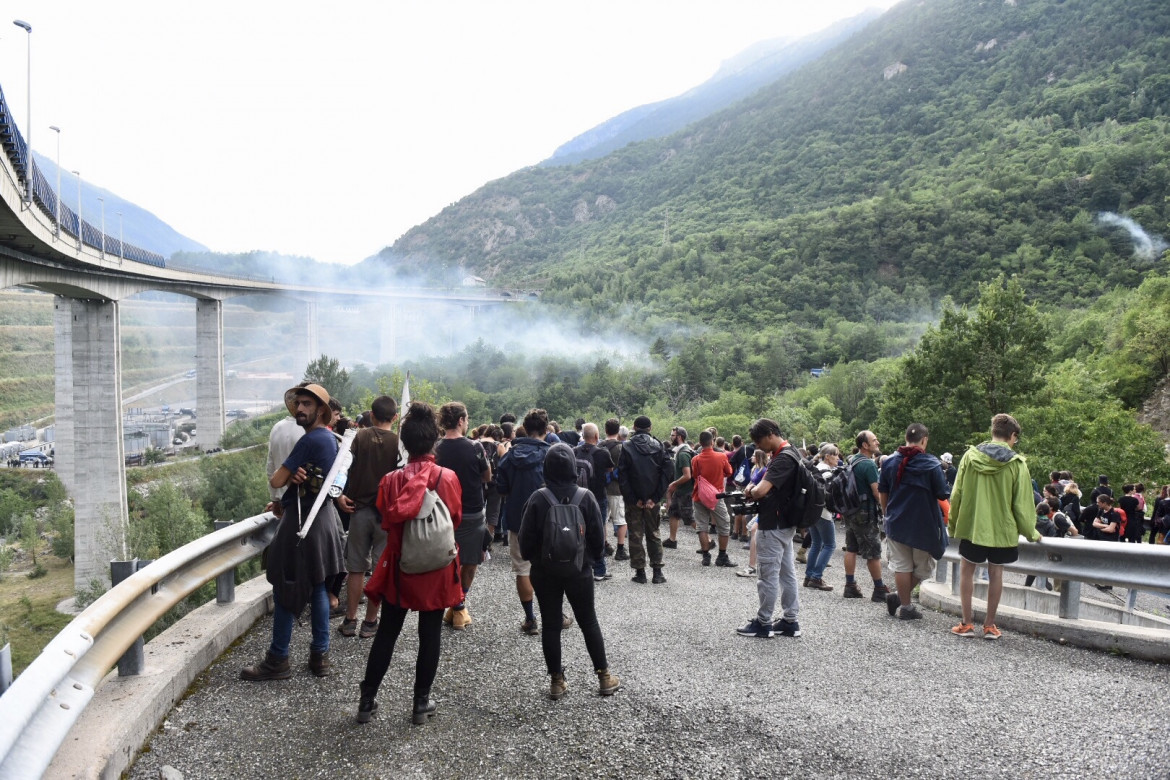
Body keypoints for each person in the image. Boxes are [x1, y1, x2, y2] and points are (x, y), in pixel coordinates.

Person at [356, 401, 463, 725]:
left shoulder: (390, 481)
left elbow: (387, 522)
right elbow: (454, 520)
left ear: (404, 443)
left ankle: (367, 700)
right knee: (430, 633)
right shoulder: (447, 477)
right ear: (434, 441)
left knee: (388, 631)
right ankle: (420, 702)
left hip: (401, 566)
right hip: (436, 566)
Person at [242, 383, 346, 681]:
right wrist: (294, 487)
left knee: (286, 587)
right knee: (317, 587)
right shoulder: (331, 439)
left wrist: (288, 484)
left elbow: (276, 479)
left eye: (307, 405)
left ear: (320, 411)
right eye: (298, 403)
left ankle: (278, 659)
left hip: (302, 525)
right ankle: (320, 656)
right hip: (323, 518)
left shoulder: (310, 440)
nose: (300, 409)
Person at [518, 443, 620, 700]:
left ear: (547, 468)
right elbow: (598, 539)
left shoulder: (537, 498)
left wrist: (537, 560)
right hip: (579, 571)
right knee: (588, 621)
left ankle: (556, 681)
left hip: (544, 571)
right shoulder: (585, 497)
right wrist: (589, 560)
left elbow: (525, 541)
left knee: (551, 625)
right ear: (573, 468)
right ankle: (604, 676)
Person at [947, 413, 1042, 641]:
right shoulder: (1017, 464)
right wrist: (1031, 532)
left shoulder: (970, 457)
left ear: (992, 432)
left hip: (972, 527)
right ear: (1013, 436)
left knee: (967, 571)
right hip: (1002, 530)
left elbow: (957, 493)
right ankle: (989, 626)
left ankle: (967, 624)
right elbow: (1022, 503)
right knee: (996, 572)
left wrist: (953, 525)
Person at [497, 408, 573, 634]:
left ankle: (530, 620)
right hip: (551, 521)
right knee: (551, 568)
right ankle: (555, 615)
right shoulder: (554, 454)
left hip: (518, 521)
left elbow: (501, 490)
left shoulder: (509, 456)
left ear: (526, 429)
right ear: (545, 429)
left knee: (523, 569)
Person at [336, 395, 401, 639]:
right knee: (380, 569)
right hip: (387, 515)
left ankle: (350, 619)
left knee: (356, 568)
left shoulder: (358, 437)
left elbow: (341, 467)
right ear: (394, 417)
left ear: (371, 415)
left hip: (358, 510)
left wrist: (339, 495)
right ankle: (371, 622)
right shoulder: (399, 443)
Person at [736, 418, 802, 639]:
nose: (758, 446)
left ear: (771, 434)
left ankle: (763, 623)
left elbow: (762, 490)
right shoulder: (794, 453)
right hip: (786, 522)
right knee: (786, 572)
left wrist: (751, 490)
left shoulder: (782, 458)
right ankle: (790, 621)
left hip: (772, 523)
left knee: (768, 575)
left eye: (759, 440)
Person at [878, 423, 950, 620]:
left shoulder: (890, 462)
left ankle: (904, 603)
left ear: (905, 438)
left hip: (896, 521)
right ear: (924, 440)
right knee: (923, 567)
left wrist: (887, 513)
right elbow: (942, 493)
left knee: (902, 566)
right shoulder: (932, 464)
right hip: (923, 524)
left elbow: (883, 492)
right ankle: (901, 602)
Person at [435, 402, 491, 630]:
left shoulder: (435, 447)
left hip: (441, 512)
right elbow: (487, 477)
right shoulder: (475, 447)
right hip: (471, 512)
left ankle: (453, 606)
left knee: (444, 562)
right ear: (460, 421)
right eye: (466, 419)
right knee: (469, 562)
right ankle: (459, 604)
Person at [618, 415, 670, 584]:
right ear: (650, 427)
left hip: (634, 500)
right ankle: (657, 572)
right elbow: (667, 473)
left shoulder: (626, 447)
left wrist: (633, 498)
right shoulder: (659, 446)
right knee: (654, 533)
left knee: (635, 534)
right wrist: (655, 498)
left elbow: (622, 476)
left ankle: (640, 572)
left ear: (634, 427)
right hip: (652, 500)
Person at [842, 430, 890, 604]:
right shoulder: (869, 465)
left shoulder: (852, 460)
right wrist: (886, 510)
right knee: (874, 552)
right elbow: (877, 492)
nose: (877, 442)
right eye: (874, 440)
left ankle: (850, 586)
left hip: (850, 511)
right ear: (865, 445)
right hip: (865, 513)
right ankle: (879, 589)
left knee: (851, 548)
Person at [689, 430, 736, 567]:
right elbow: (729, 472)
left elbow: (695, 475)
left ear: (700, 443)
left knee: (702, 526)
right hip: (716, 496)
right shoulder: (721, 457)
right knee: (725, 524)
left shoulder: (695, 459)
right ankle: (722, 556)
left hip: (699, 495)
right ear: (712, 442)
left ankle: (706, 556)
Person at [576, 422, 617, 581]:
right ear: (596, 436)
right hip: (598, 497)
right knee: (598, 531)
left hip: (578, 497)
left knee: (579, 530)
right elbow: (610, 470)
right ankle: (599, 570)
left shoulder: (574, 451)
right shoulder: (602, 453)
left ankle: (579, 566)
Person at [805, 444, 839, 591]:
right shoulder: (826, 472)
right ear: (827, 456)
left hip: (811, 511)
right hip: (823, 512)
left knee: (816, 543)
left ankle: (809, 576)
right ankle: (816, 577)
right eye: (835, 455)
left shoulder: (815, 468)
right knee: (830, 545)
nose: (838, 458)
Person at [599, 418, 629, 561]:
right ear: (618, 432)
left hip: (601, 487)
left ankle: (604, 546)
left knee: (603, 519)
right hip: (617, 488)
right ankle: (620, 549)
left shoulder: (599, 446)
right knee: (620, 520)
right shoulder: (622, 448)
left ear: (605, 430)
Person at [663, 427, 695, 550]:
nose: (671, 437)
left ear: (679, 437)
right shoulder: (682, 450)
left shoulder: (683, 453)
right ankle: (672, 539)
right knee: (673, 512)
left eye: (672, 435)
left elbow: (687, 475)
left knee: (689, 517)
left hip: (685, 490)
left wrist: (674, 484)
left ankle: (707, 540)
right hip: (679, 489)